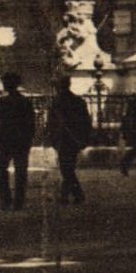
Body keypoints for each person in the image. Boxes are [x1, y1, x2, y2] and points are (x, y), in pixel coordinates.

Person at [46, 75, 93, 204]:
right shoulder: (78, 101)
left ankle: (72, 195)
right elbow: (86, 122)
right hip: (74, 139)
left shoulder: (56, 102)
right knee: (68, 168)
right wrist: (84, 139)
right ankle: (69, 195)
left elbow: (50, 123)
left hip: (63, 139)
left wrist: (51, 137)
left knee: (66, 168)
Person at [0, 72, 35, 210]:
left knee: (2, 170)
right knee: (20, 171)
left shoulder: (4, 102)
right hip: (20, 141)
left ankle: (7, 200)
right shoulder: (25, 102)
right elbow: (31, 124)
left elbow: (1, 123)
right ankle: (17, 201)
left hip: (8, 140)